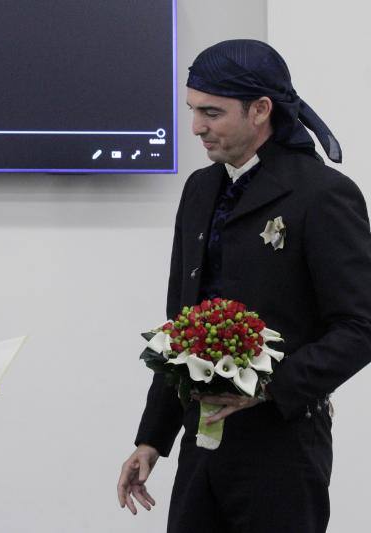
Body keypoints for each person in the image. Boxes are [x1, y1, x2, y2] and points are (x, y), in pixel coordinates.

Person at [117, 39, 371, 533]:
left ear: (261, 110)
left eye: (212, 112)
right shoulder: (200, 189)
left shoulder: (322, 195)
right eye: (192, 110)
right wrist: (152, 440)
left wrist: (271, 388)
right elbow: (181, 328)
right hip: (201, 445)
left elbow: (361, 325)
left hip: (284, 448)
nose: (196, 127)